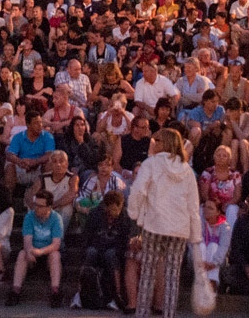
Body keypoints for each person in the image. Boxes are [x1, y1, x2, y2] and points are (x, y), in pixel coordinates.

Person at [127, 128, 202, 318]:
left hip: (154, 224)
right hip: (179, 228)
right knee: (172, 276)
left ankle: (142, 314)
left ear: (165, 143)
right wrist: (195, 235)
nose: (153, 142)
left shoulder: (151, 164)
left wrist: (134, 213)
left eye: (157, 140)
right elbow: (193, 205)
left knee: (148, 274)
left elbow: (138, 191)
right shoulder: (187, 170)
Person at [70, 189, 131, 310]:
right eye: (110, 209)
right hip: (97, 248)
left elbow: (125, 241)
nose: (113, 213)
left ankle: (117, 296)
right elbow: (87, 237)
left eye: (116, 210)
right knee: (90, 252)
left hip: (115, 252)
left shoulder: (125, 217)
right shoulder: (95, 214)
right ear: (105, 207)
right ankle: (79, 294)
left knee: (111, 254)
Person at [5, 189, 64, 308]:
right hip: (33, 251)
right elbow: (27, 238)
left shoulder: (56, 218)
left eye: (41, 206)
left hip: (48, 252)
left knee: (55, 255)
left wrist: (40, 251)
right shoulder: (29, 216)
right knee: (22, 254)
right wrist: (29, 250)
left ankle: (55, 291)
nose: (37, 208)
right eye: (36, 204)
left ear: (49, 207)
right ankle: (15, 290)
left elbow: (56, 244)